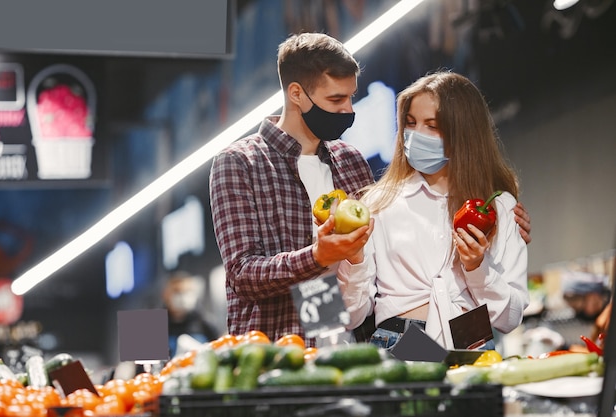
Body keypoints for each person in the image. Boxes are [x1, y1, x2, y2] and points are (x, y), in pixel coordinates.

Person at [210, 33, 532, 347]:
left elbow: (370, 264)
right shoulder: (241, 162)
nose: (349, 110)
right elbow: (242, 273)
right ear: (296, 94)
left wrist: (502, 222)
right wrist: (318, 256)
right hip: (280, 343)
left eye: (351, 97)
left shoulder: (350, 161)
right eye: (336, 99)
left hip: (353, 344)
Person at [337, 70, 529, 350]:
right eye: (411, 123)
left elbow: (510, 319)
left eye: (432, 125)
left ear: (463, 132)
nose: (416, 135)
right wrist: (354, 261)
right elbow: (352, 315)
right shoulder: (379, 204)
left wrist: (477, 268)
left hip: (471, 341)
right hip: (401, 340)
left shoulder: (500, 208)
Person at [162, 271, 219, 355]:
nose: (183, 297)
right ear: (166, 294)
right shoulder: (150, 326)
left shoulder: (206, 324)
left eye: (188, 291)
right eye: (177, 292)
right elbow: (142, 366)